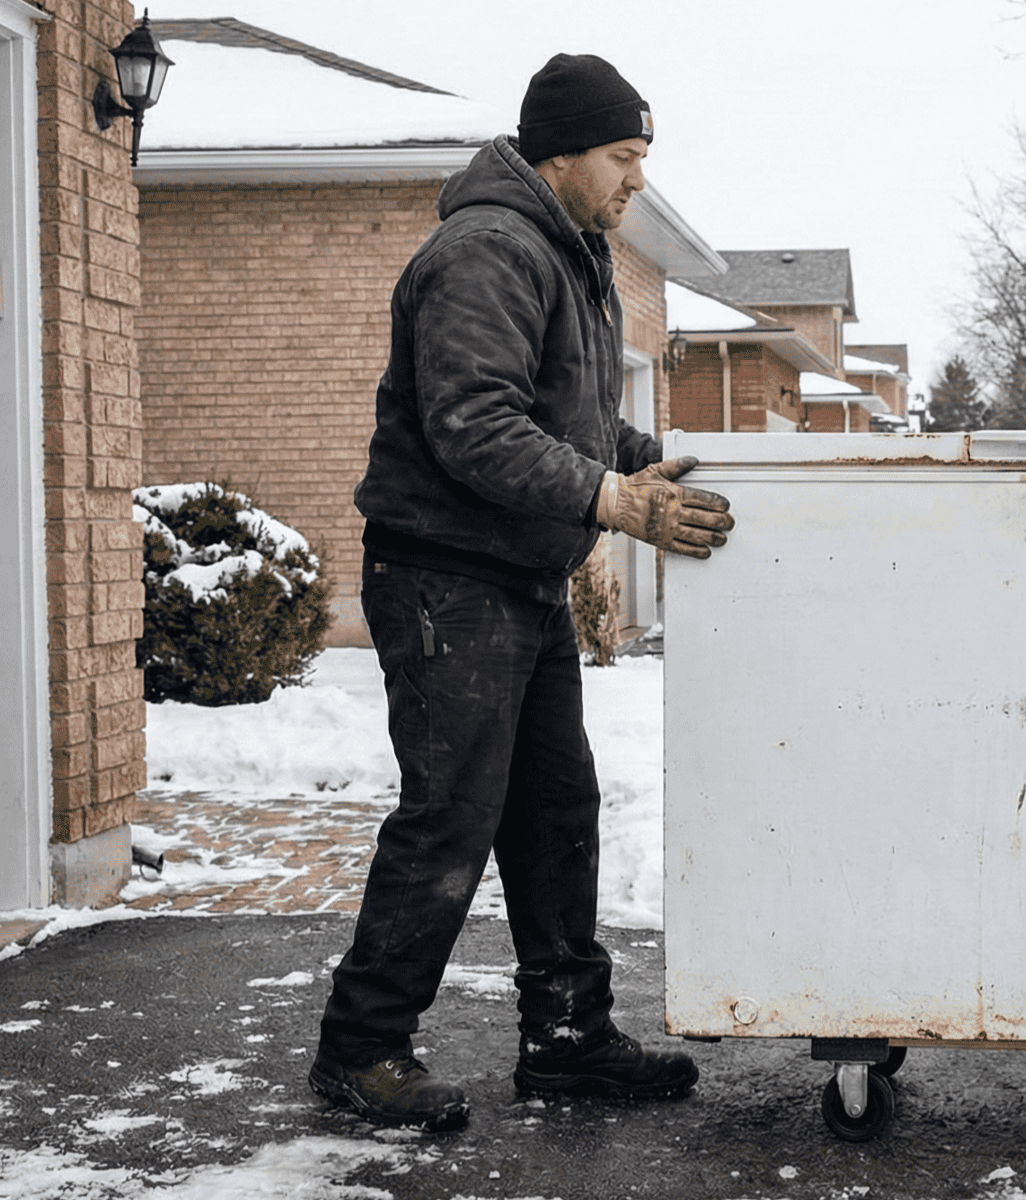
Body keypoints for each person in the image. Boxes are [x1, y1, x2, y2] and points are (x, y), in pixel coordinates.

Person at [309, 53, 735, 1131]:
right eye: (624, 157)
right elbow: (475, 426)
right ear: (563, 150)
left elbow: (576, 425)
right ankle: (361, 1051)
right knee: (450, 813)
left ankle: (566, 1038)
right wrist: (613, 500)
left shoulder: (568, 251)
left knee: (553, 810)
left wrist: (663, 465)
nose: (637, 179)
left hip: (517, 573)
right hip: (445, 574)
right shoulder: (489, 250)